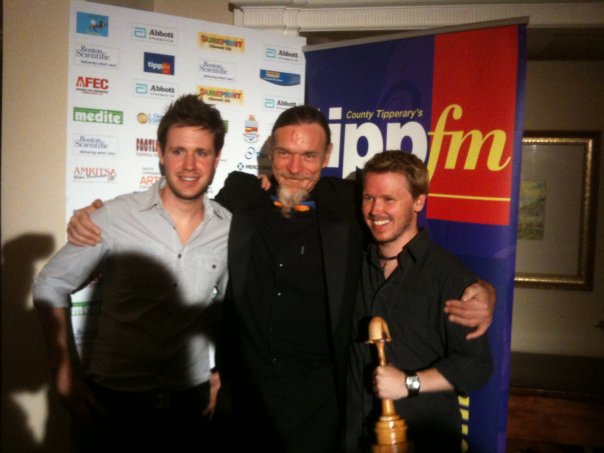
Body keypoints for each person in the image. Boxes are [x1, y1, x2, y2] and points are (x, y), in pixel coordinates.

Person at [67, 105, 495, 452]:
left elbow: (404, 234)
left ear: (326, 158)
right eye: (285, 153)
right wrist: (95, 219)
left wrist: (483, 291)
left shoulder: (348, 202)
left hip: (319, 402)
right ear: (269, 152)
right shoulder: (240, 193)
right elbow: (180, 216)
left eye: (309, 155)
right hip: (243, 397)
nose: (295, 166)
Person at [33, 94, 230, 452]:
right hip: (114, 406)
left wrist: (224, 375)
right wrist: (63, 371)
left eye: (201, 152)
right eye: (178, 151)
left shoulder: (229, 229)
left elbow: (238, 310)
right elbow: (51, 283)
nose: (189, 165)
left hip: (192, 407)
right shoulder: (113, 217)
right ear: (159, 152)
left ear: (216, 158)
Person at [345, 151, 494, 452]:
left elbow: (476, 365)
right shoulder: (352, 265)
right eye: (368, 198)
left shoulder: (450, 276)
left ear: (418, 202)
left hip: (425, 439)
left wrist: (409, 383)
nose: (375, 210)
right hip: (356, 437)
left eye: (389, 199)